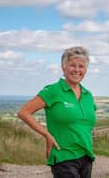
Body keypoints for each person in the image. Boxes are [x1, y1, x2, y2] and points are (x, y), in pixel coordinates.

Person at [18, 46, 97, 178]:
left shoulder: (88, 95)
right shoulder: (53, 91)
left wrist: (89, 132)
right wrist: (47, 135)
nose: (77, 70)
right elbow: (24, 112)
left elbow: (86, 121)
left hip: (86, 156)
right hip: (63, 156)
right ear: (63, 67)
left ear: (86, 69)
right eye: (72, 65)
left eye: (81, 66)